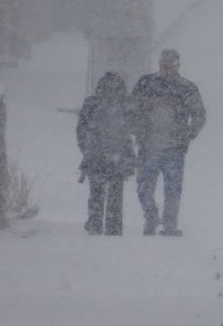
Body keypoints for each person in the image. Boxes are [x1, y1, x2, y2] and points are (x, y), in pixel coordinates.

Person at [132, 49, 206, 236]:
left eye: (171, 64)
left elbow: (199, 114)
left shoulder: (187, 88)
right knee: (144, 187)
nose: (167, 67)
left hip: (174, 148)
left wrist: (187, 135)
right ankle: (151, 215)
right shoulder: (146, 83)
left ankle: (170, 225)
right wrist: (138, 129)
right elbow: (132, 108)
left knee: (173, 190)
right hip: (148, 145)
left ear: (177, 64)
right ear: (159, 63)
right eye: (164, 63)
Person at [77, 72, 136, 236]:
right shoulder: (91, 103)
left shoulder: (125, 105)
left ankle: (113, 228)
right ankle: (95, 225)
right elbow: (81, 129)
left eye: (114, 87)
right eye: (108, 86)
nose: (111, 90)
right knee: (96, 192)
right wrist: (86, 149)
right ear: (102, 87)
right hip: (96, 156)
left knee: (116, 194)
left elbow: (135, 126)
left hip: (119, 156)